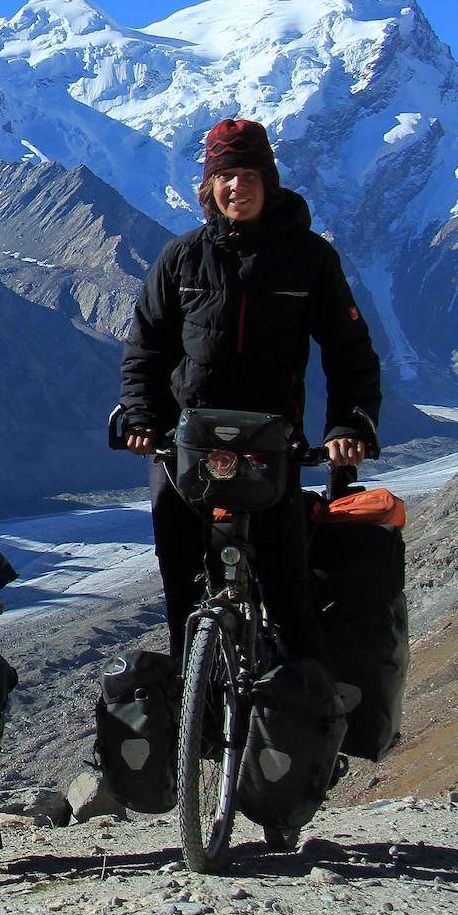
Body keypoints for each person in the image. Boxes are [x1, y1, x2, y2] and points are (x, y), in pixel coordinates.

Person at [118, 119, 382, 661]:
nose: (238, 186)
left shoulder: (310, 258)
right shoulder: (182, 258)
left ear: (271, 181)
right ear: (209, 187)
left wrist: (349, 426)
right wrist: (143, 418)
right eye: (226, 176)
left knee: (289, 593)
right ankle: (197, 717)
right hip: (186, 447)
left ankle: (305, 718)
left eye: (250, 174)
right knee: (182, 595)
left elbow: (348, 350)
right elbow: (146, 350)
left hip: (270, 445)